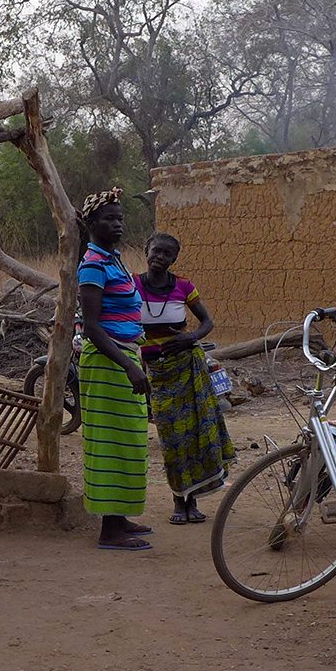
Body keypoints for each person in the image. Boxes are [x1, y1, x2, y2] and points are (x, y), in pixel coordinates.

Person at [137, 232, 236, 523]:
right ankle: (177, 501)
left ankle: (191, 501)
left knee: (195, 434)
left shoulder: (183, 286)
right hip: (156, 374)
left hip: (188, 368)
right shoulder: (132, 285)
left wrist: (189, 337)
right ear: (146, 250)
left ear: (174, 259)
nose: (160, 257)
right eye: (156, 251)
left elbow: (207, 321)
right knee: (171, 439)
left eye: (167, 254)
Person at [76, 188, 151, 550]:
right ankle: (110, 531)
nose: (117, 224)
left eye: (120, 218)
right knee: (112, 442)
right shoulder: (92, 265)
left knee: (130, 441)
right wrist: (129, 367)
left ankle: (120, 517)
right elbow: (92, 326)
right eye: (109, 218)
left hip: (123, 357)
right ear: (91, 224)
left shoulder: (114, 259)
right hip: (108, 363)